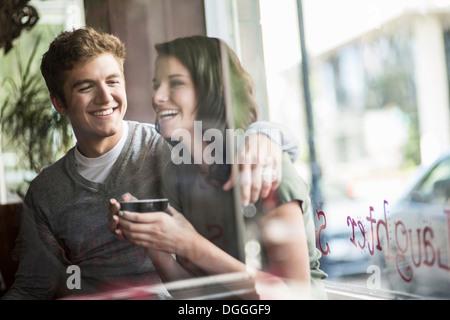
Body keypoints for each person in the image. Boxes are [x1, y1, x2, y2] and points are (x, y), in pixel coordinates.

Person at [2, 27, 299, 300]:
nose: (106, 97)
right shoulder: (46, 191)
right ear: (59, 102)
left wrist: (266, 135)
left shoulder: (170, 148)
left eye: (112, 81)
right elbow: (32, 286)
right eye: (86, 87)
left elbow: (238, 142)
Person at [110, 36, 327, 299]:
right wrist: (153, 240)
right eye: (156, 85)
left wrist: (190, 243)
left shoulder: (262, 166)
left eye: (175, 83)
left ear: (211, 89)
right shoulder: (179, 173)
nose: (157, 97)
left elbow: (295, 296)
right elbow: (196, 292)